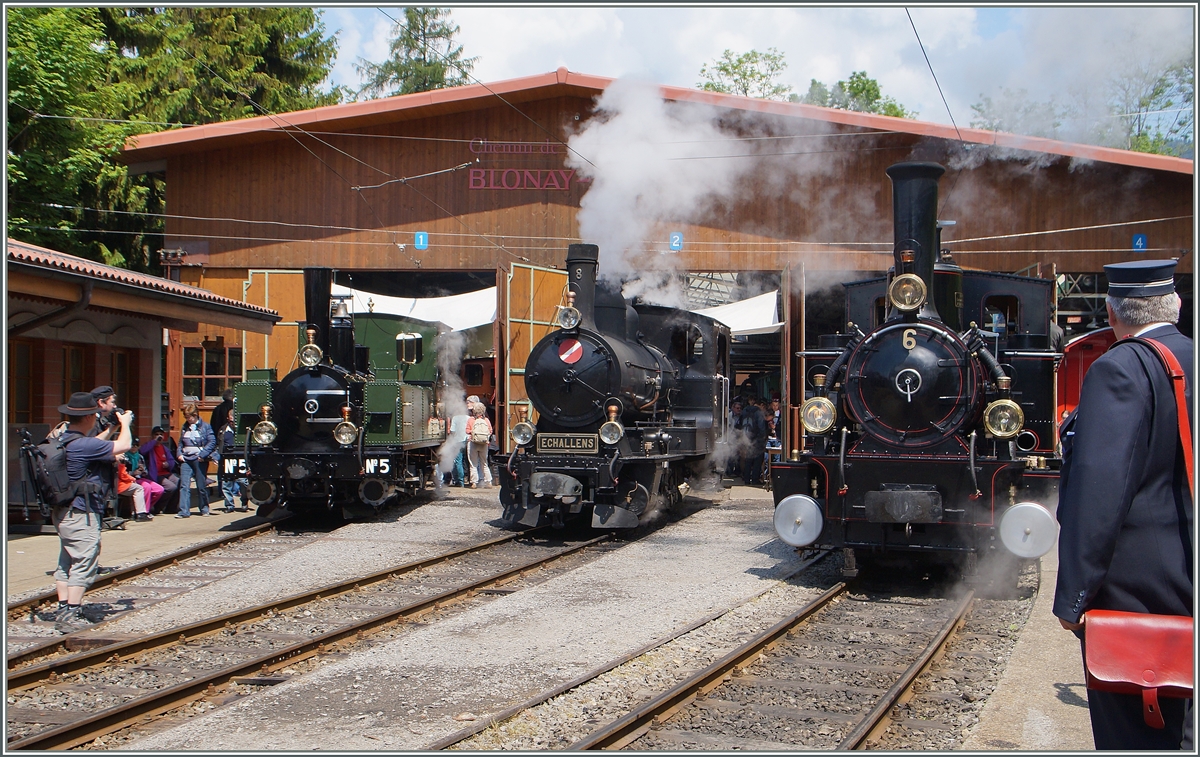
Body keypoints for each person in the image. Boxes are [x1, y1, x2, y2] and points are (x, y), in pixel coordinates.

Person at [1053, 259, 1193, 751]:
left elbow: (1099, 492)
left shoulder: (1120, 368)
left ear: (1112, 312)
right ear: (1175, 306)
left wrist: (1073, 598)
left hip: (1144, 598)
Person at [51, 392, 133, 632]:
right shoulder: (85, 445)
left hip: (63, 511)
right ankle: (72, 613)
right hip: (81, 511)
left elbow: (96, 442)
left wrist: (111, 428)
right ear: (89, 417)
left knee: (66, 559)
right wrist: (125, 425)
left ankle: (64, 606)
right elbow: (124, 445)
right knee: (85, 559)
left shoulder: (65, 439)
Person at [175, 403, 217, 518]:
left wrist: (202, 454)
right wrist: (179, 454)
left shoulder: (205, 427)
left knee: (201, 485)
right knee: (184, 485)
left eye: (190, 417)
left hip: (199, 460)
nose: (188, 420)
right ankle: (184, 511)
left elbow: (212, 442)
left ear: (195, 415)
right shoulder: (185, 427)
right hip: (186, 459)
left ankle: (204, 508)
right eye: (186, 417)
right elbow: (180, 443)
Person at [140, 426, 179, 513]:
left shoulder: (164, 448)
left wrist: (168, 464)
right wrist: (154, 441)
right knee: (171, 487)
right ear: (152, 436)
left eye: (161, 434)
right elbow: (142, 451)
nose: (159, 436)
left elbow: (171, 460)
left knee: (179, 482)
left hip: (166, 472)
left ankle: (171, 508)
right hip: (155, 475)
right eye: (156, 435)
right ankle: (158, 506)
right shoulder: (149, 447)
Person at [217, 408, 249, 513]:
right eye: (230, 421)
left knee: (243, 482)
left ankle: (244, 501)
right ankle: (229, 505)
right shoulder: (223, 430)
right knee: (226, 484)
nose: (232, 424)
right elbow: (219, 445)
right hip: (227, 459)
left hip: (241, 459)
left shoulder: (243, 431)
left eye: (234, 421)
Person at [126, 441, 165, 515]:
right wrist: (133, 473)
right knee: (147, 487)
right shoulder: (125, 457)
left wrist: (142, 471)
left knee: (159, 489)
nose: (134, 447)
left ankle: (146, 507)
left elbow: (145, 472)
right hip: (129, 479)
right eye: (132, 445)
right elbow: (123, 473)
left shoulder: (140, 456)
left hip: (139, 478)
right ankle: (144, 512)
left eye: (136, 445)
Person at [738, 397, 767, 486]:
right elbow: (762, 427)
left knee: (748, 459)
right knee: (758, 460)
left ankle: (746, 479)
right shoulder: (758, 412)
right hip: (757, 439)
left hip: (746, 438)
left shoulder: (745, 411)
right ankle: (755, 479)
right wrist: (763, 438)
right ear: (760, 405)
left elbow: (739, 424)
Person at [466, 403, 493, 488]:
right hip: (484, 444)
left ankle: (474, 482)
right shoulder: (487, 420)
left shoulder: (471, 420)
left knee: (473, 464)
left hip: (473, 443)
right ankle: (488, 481)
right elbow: (490, 431)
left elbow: (467, 431)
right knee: (484, 463)